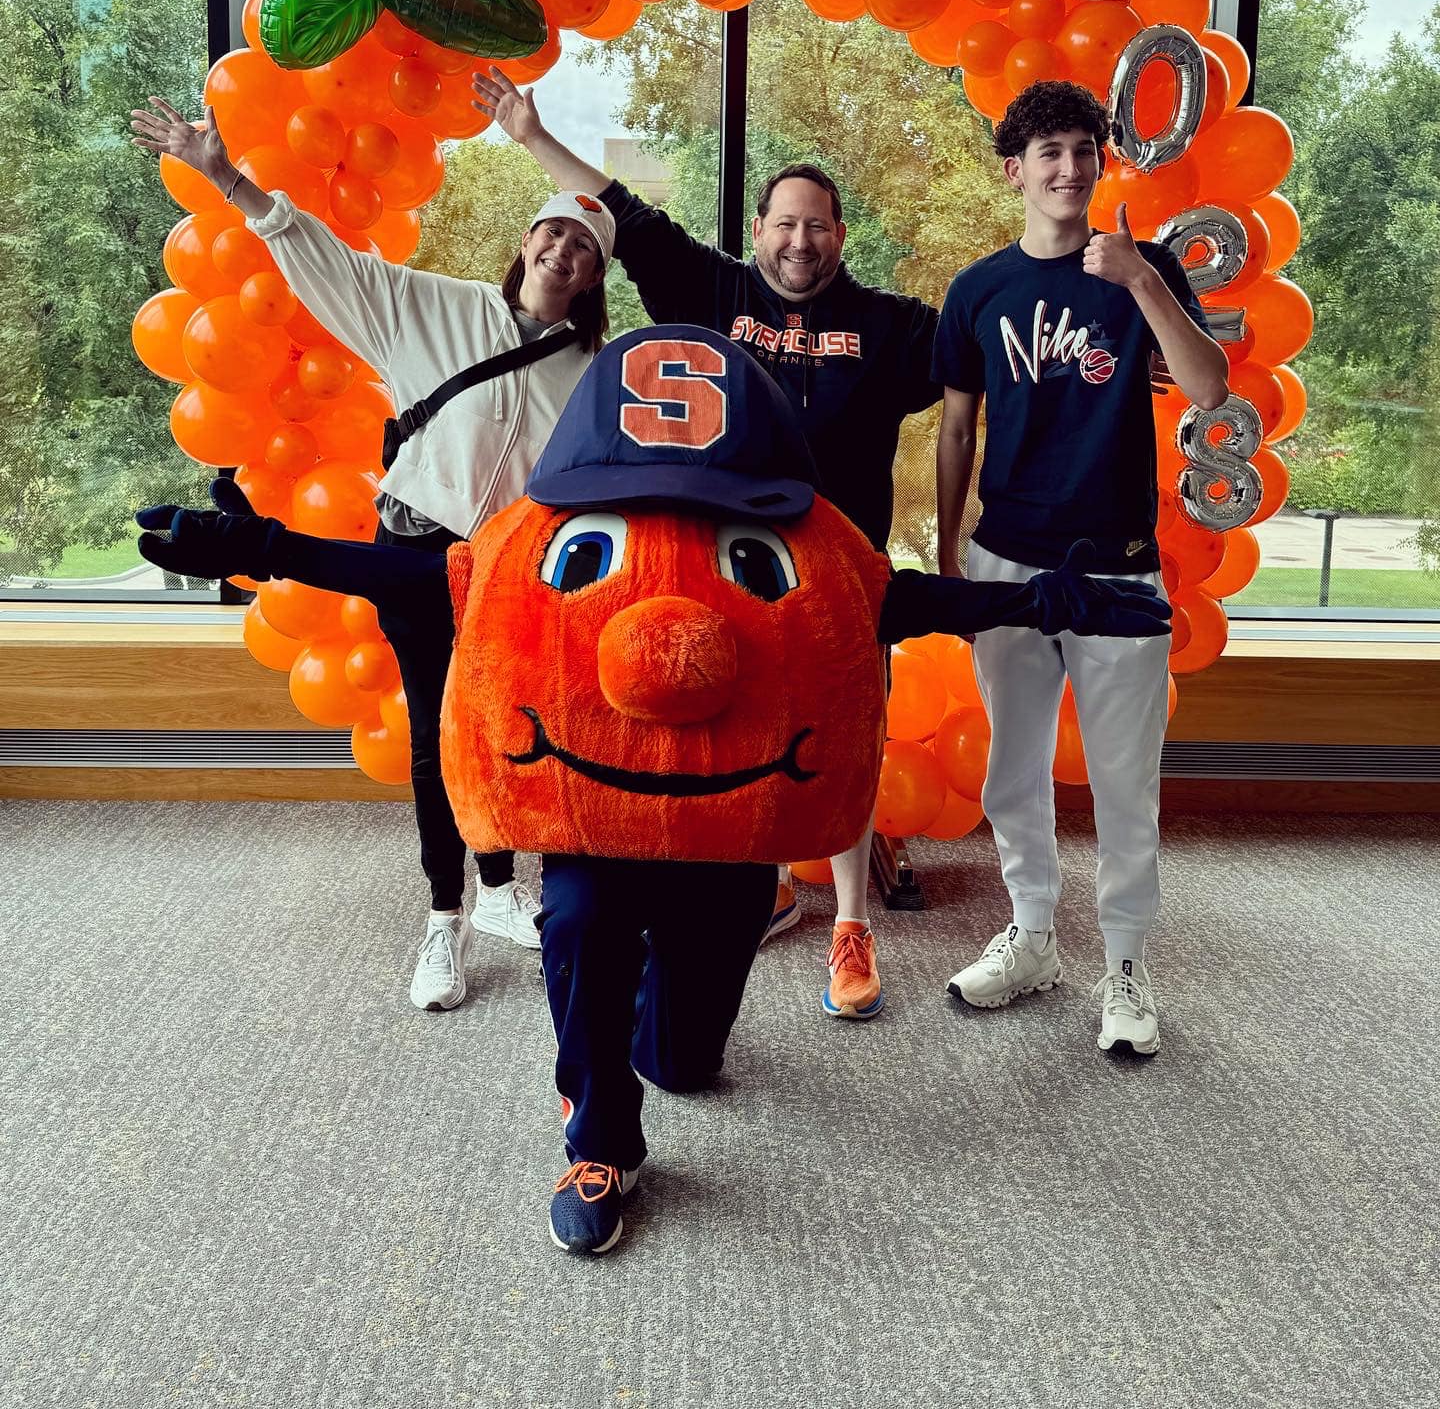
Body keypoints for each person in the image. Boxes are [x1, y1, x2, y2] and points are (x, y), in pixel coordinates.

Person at [135, 325, 1168, 1254]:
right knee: (578, 921)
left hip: (727, 844)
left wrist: (1047, 600)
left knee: (684, 1064)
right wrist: (257, 547)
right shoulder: (530, 543)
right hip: (599, 820)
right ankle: (597, 1133)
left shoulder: (815, 550)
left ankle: (623, 1031)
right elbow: (412, 577)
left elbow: (908, 599)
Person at [473, 66, 941, 1023]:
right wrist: (531, 134)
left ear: (840, 237)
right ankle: (760, 882)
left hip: (835, 582)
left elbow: (986, 350)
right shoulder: (712, 289)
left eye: (817, 224)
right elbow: (626, 214)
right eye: (783, 222)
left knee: (846, 733)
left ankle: (852, 922)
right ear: (759, 231)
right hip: (726, 573)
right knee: (738, 727)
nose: (799, 239)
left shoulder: (892, 328)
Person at [129, 95, 614, 1012]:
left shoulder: (594, 372)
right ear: (528, 241)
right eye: (554, 235)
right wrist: (229, 176)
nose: (564, 253)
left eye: (584, 248)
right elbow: (330, 265)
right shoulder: (436, 310)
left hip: (506, 575)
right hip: (412, 553)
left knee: (508, 729)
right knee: (436, 734)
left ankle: (506, 891)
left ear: (595, 275)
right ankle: (445, 920)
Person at [933, 78, 1229, 1055]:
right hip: (1007, 560)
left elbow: (1209, 386)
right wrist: (946, 550)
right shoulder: (978, 290)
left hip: (1119, 571)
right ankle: (1031, 936)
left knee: (1123, 782)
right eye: (1048, 153)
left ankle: (1128, 968)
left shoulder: (1139, 270)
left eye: (1084, 151)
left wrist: (1142, 280)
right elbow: (958, 427)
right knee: (1011, 774)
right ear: (1014, 171)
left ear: (1102, 166)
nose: (1069, 168)